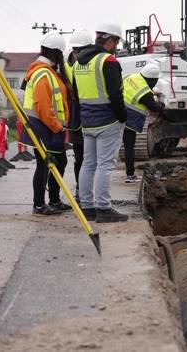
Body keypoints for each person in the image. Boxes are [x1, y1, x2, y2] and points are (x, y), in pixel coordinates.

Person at [72, 22, 129, 223]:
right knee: (105, 165)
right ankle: (104, 208)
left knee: (89, 164)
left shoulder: (78, 63)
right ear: (111, 40)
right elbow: (116, 94)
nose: (117, 46)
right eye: (117, 42)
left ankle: (87, 207)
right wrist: (122, 116)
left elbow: (76, 95)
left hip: (87, 122)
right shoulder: (108, 61)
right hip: (108, 121)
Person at [19, 32, 72, 216]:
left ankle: (52, 201)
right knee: (44, 165)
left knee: (56, 162)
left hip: (47, 127)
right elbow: (43, 107)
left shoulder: (45, 71)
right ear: (56, 53)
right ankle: (40, 205)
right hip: (45, 127)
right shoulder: (43, 74)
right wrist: (58, 127)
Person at [122, 62, 166, 183]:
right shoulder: (145, 92)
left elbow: (133, 89)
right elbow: (154, 107)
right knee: (129, 147)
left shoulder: (131, 76)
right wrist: (162, 105)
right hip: (128, 119)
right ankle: (130, 175)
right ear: (153, 80)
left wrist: (151, 93)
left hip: (115, 114)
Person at [65, 29, 93, 201]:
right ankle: (82, 193)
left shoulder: (73, 65)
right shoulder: (72, 66)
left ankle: (84, 192)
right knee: (82, 159)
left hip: (82, 117)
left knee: (86, 160)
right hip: (79, 118)